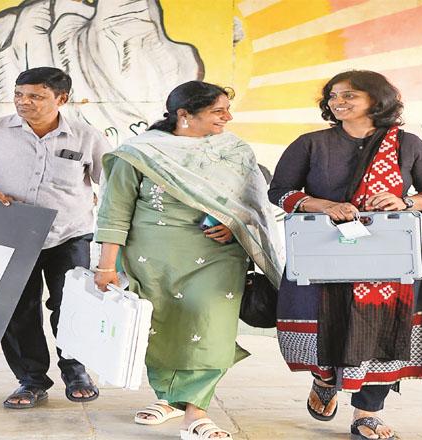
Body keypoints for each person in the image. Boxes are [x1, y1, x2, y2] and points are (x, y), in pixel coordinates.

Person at [268, 70, 422, 440]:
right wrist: (320, 204)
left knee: (383, 331)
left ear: (377, 99)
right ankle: (325, 378)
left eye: (349, 95)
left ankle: (367, 414)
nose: (338, 102)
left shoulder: (408, 144)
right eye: (334, 96)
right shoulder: (311, 143)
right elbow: (281, 192)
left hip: (389, 258)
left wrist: (405, 201)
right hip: (323, 253)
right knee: (323, 328)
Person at [94, 81, 283, 440]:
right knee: (160, 327)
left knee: (210, 325)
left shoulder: (234, 150)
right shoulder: (140, 152)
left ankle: (196, 413)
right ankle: (168, 397)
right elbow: (114, 211)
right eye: (217, 111)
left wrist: (234, 226)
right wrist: (106, 265)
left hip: (217, 256)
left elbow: (252, 205)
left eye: (227, 109)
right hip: (151, 257)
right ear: (184, 114)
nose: (228, 117)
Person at [0, 66, 111, 409]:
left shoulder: (88, 137)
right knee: (18, 309)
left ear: (62, 99)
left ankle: (76, 371)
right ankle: (31, 380)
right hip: (10, 234)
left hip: (70, 234)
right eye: (19, 94)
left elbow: (110, 185)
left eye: (36, 96)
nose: (24, 102)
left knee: (70, 307)